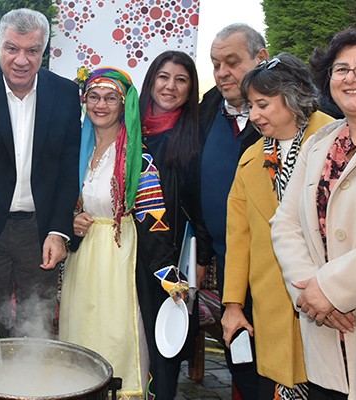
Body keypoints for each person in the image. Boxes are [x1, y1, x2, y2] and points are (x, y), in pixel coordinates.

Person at [0, 7, 81, 341]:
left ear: (43, 52)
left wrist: (58, 231)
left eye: (32, 50)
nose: (22, 60)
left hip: (40, 231)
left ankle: (34, 391)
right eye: (12, 49)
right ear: (0, 48)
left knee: (37, 328)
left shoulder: (65, 94)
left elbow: (68, 169)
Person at [59, 66, 182, 398]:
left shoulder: (138, 162)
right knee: (79, 337)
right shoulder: (77, 155)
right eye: (94, 97)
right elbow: (63, 204)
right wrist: (72, 221)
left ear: (124, 103)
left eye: (110, 98)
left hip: (120, 262)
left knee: (114, 339)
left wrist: (169, 278)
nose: (101, 105)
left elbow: (156, 223)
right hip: (82, 263)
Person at [221, 53, 334, 399]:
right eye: (251, 106)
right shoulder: (250, 159)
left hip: (331, 308)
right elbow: (238, 239)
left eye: (262, 105)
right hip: (271, 309)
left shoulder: (337, 142)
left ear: (292, 97)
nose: (253, 115)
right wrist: (233, 306)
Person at [272, 27, 356, 399]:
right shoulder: (319, 144)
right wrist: (311, 293)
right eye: (341, 69)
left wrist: (330, 289)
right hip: (325, 331)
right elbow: (285, 223)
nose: (352, 78)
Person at [198, 23, 268, 399]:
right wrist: (205, 250)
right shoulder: (206, 110)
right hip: (229, 264)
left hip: (280, 269)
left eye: (232, 62)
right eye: (215, 63)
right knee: (239, 355)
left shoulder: (296, 115)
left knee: (279, 365)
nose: (222, 72)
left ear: (261, 58)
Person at [138, 50, 208, 398]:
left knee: (163, 340)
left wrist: (202, 258)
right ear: (151, 80)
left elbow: (200, 204)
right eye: (163, 77)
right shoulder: (129, 128)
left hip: (169, 255)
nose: (170, 86)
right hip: (124, 251)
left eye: (181, 79)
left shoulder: (194, 136)